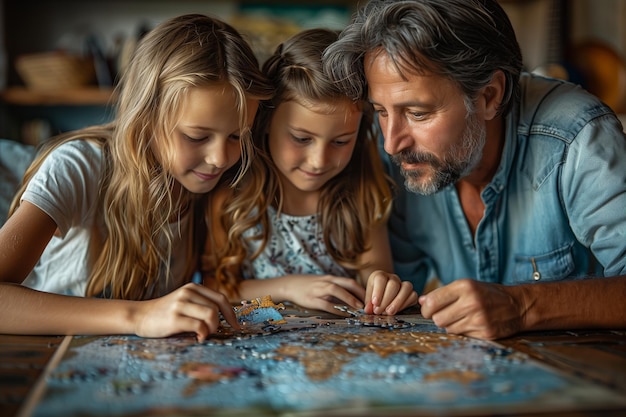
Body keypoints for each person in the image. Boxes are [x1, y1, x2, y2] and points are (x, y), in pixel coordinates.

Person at [323, 0, 626, 339]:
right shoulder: (394, 147)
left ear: (489, 96)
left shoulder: (577, 138)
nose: (393, 143)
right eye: (380, 111)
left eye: (418, 113)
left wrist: (522, 306)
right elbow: (400, 292)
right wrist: (387, 289)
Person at [0, 14, 274, 341]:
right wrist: (140, 316)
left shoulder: (207, 185)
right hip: (48, 359)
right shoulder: (79, 165)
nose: (221, 159)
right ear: (145, 119)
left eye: (236, 137)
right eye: (197, 137)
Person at [203, 28, 418, 316]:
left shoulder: (360, 197)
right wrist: (289, 287)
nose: (318, 161)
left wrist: (384, 285)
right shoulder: (232, 198)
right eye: (302, 139)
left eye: (341, 142)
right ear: (265, 122)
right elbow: (214, 285)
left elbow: (375, 277)